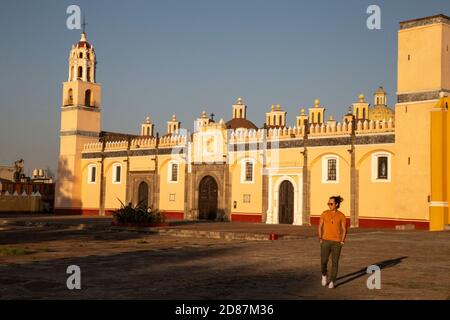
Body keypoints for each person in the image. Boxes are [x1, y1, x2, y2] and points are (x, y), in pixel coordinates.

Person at [318, 195, 347, 289]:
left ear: (336, 204)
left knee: (335, 262)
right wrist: (320, 238)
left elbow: (344, 229)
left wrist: (342, 241)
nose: (329, 205)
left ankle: (332, 281)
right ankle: (324, 275)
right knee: (323, 261)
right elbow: (320, 226)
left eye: (331, 203)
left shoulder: (341, 215)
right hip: (325, 241)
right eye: (328, 203)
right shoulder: (324, 213)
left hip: (337, 243)